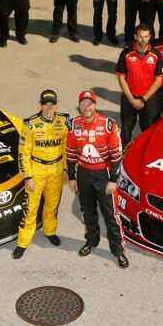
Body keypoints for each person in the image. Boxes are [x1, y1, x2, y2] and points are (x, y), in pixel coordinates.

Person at [66, 90, 128, 269]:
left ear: (95, 105)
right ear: (80, 106)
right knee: (87, 211)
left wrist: (113, 180)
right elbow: (70, 153)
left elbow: (116, 156)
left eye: (90, 103)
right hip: (83, 174)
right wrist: (72, 177)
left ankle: (118, 250)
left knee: (111, 215)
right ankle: (91, 241)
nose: (87, 106)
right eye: (83, 104)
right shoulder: (73, 125)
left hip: (104, 175)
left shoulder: (108, 124)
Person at [12, 89, 69, 259]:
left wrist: (66, 169)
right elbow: (23, 153)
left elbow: (67, 147)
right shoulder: (29, 124)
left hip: (57, 169)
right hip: (37, 170)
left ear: (56, 105)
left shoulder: (64, 120)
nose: (49, 107)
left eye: (52, 104)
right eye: (46, 104)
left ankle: (50, 232)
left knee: (53, 205)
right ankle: (23, 243)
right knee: (30, 208)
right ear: (40, 104)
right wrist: (27, 177)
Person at [116, 23, 163, 145]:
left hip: (148, 99)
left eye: (146, 36)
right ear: (135, 36)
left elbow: (159, 80)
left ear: (150, 37)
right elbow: (121, 78)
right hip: (129, 99)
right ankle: (121, 156)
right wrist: (132, 100)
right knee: (126, 131)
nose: (143, 40)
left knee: (148, 131)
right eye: (141, 36)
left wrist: (143, 99)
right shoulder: (125, 53)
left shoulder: (156, 54)